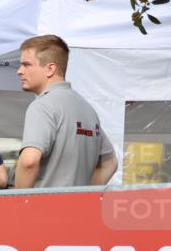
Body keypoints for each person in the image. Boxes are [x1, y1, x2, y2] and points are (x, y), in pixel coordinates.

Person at [15, 34, 117, 188]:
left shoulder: (42, 106)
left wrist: (17, 203)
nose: (19, 71)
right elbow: (110, 163)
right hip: (78, 209)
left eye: (26, 64)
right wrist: (83, 195)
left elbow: (29, 161)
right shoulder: (87, 109)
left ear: (50, 69)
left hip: (43, 209)